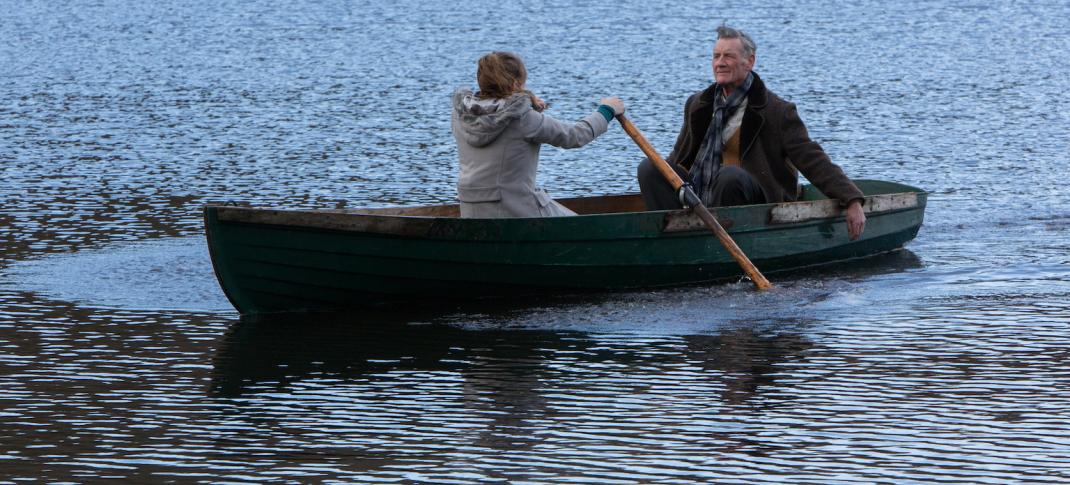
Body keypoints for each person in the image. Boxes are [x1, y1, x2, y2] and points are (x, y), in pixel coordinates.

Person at [637, 26, 867, 240]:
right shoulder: (698, 104)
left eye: (728, 56)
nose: (720, 63)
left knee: (729, 176)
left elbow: (812, 159)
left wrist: (852, 199)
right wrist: (666, 179)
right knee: (650, 168)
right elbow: (679, 155)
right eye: (716, 56)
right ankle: (672, 237)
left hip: (755, 203)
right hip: (700, 193)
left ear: (750, 62)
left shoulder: (776, 111)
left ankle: (728, 242)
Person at [452, 51, 625, 218]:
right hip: (516, 212)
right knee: (586, 228)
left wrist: (526, 106)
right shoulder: (524, 120)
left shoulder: (460, 115)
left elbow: (497, 114)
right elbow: (575, 136)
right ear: (515, 85)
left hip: (471, 210)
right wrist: (606, 111)